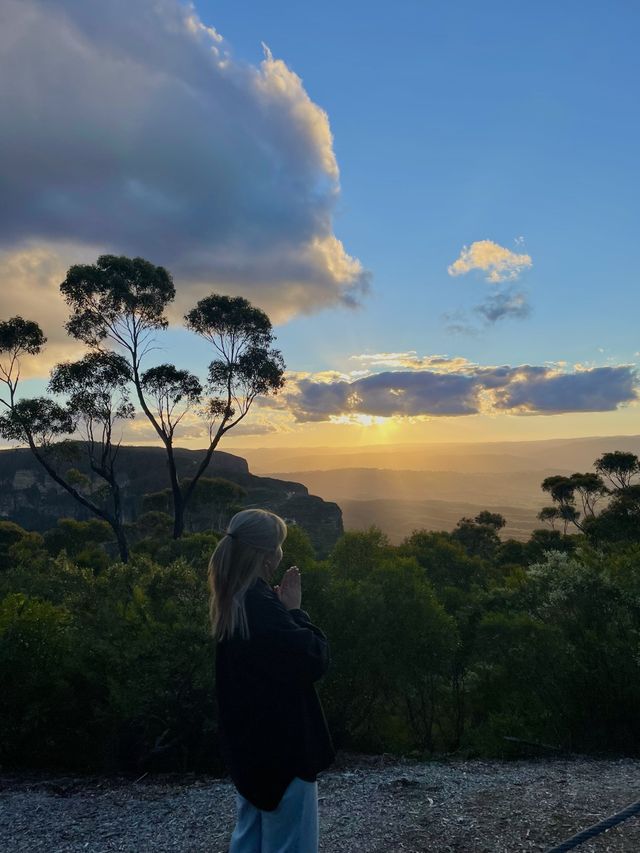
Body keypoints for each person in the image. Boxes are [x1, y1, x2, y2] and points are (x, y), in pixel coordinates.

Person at [210, 508, 336, 852]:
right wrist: (295, 611)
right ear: (267, 555)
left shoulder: (234, 598)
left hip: (250, 750)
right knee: (290, 844)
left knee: (249, 838)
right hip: (283, 751)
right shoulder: (260, 605)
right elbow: (313, 658)